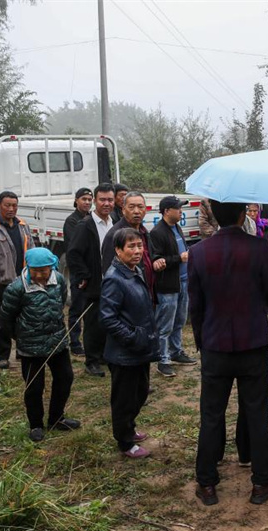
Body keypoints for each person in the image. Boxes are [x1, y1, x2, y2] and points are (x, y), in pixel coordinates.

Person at [190, 200, 268, 507]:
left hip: (215, 344)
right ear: (243, 214)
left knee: (211, 414)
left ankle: (206, 483)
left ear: (214, 214)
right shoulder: (258, 248)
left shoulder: (200, 252)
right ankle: (261, 482)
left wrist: (202, 341)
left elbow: (196, 304)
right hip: (252, 343)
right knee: (256, 413)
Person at [0, 248, 79, 442]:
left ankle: (56, 418)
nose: (39, 275)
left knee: (65, 378)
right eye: (35, 270)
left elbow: (60, 303)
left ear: (51, 268)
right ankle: (35, 424)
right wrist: (20, 336)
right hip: (30, 347)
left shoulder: (59, 279)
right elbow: (6, 318)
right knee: (34, 387)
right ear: (28, 267)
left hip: (57, 342)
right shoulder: (17, 288)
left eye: (44, 270)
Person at [100, 228, 160, 459]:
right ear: (118, 250)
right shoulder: (115, 279)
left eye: (139, 246)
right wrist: (133, 337)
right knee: (124, 398)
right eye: (131, 247)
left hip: (139, 348)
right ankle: (124, 441)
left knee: (140, 391)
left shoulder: (135, 271)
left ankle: (129, 428)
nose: (137, 251)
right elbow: (108, 318)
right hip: (125, 352)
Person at [66, 183, 115, 377]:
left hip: (114, 282)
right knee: (93, 322)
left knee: (109, 321)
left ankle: (104, 355)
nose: (106, 203)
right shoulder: (85, 225)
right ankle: (91, 361)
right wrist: (85, 276)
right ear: (95, 201)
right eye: (102, 199)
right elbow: (73, 254)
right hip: (95, 283)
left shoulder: (115, 221)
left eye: (110, 200)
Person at [150, 196, 197, 378]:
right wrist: (180, 258)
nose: (181, 211)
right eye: (178, 208)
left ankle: (176, 352)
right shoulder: (157, 232)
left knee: (179, 321)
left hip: (183, 282)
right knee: (165, 325)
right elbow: (157, 260)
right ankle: (163, 360)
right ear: (167, 211)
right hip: (168, 286)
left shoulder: (177, 227)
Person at [0, 190, 35, 369]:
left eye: (14, 205)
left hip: (23, 280)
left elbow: (31, 249)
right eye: (7, 205)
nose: (11, 209)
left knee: (24, 317)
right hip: (3, 283)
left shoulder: (23, 226)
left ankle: (22, 350)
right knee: (2, 320)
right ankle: (2, 356)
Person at [101, 191, 160, 303]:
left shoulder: (143, 232)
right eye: (131, 207)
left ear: (145, 210)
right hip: (128, 299)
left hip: (146, 294)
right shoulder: (114, 235)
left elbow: (149, 257)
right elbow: (108, 271)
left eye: (140, 207)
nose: (136, 211)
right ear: (123, 210)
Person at [63, 187, 93, 356]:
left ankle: (90, 341)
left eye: (89, 199)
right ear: (76, 201)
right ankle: (74, 342)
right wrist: (81, 274)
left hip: (92, 271)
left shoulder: (92, 218)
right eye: (84, 199)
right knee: (77, 308)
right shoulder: (72, 221)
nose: (87, 202)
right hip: (79, 271)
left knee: (91, 309)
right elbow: (75, 250)